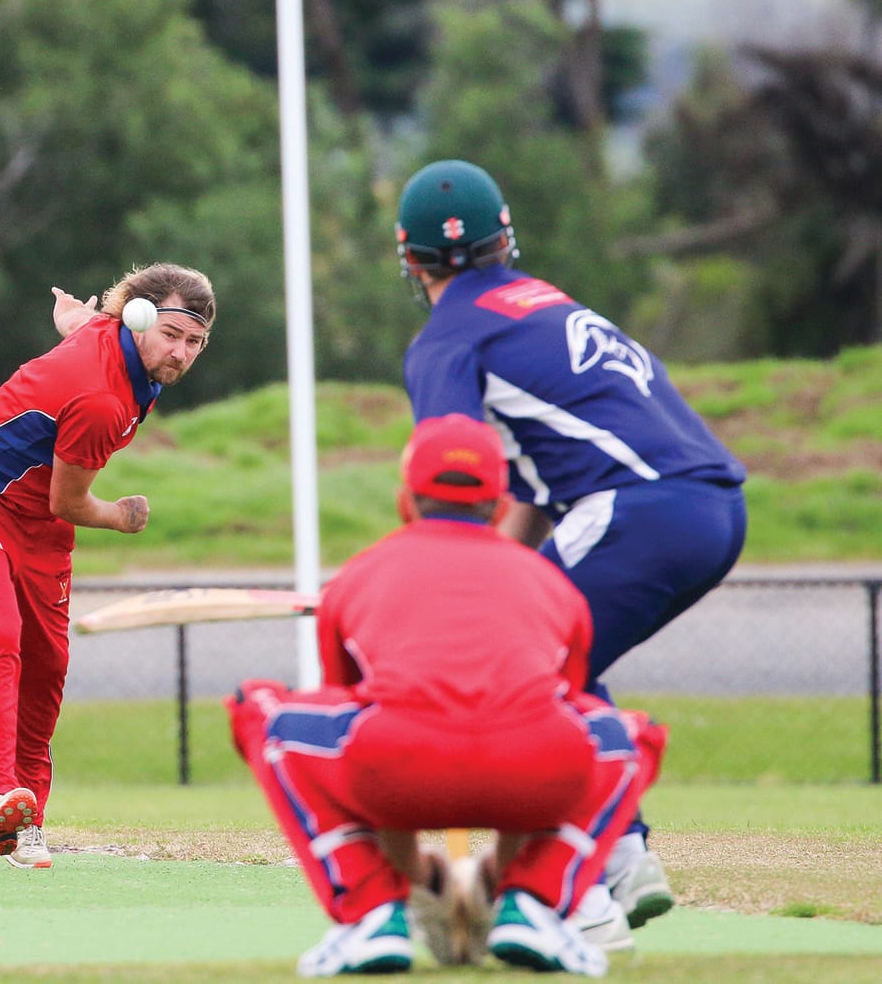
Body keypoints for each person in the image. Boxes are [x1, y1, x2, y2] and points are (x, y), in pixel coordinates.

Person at [393, 159, 747, 941]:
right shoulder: (541, 302)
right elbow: (530, 488)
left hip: (640, 510)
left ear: (409, 258)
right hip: (712, 507)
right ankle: (621, 854)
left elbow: (454, 473)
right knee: (558, 664)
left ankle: (573, 894)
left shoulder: (447, 338)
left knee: (519, 670)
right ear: (503, 238)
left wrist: (420, 577)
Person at [226, 414, 668, 978]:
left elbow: (356, 716)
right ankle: (536, 903)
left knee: (260, 709)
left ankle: (369, 914)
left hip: (396, 765)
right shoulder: (556, 585)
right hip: (535, 767)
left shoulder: (357, 578)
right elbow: (560, 709)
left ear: (404, 502)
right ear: (502, 507)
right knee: (626, 735)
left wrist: (409, 877)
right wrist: (505, 876)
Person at [0, 262, 214, 869]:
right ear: (137, 321)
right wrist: (122, 516)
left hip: (40, 524)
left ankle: (24, 823)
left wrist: (72, 320)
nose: (181, 353)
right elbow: (72, 501)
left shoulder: (118, 339)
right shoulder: (104, 401)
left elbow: (90, 327)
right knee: (0, 634)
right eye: (171, 336)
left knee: (48, 662)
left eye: (195, 342)